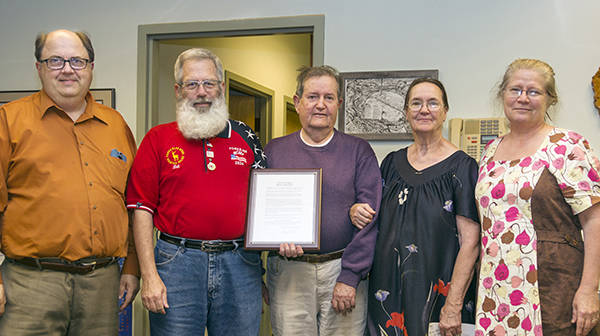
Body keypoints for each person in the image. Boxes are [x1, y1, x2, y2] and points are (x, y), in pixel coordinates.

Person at [0, 29, 139, 335]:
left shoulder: (116, 124)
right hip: (30, 285)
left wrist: (131, 268)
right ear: (39, 67)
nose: (67, 69)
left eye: (77, 60)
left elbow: (130, 205)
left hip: (102, 284)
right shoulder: (8, 121)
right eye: (55, 60)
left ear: (90, 67)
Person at [126, 48, 266, 336]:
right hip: (176, 263)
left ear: (221, 88)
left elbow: (267, 205)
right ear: (178, 90)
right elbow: (141, 210)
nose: (201, 92)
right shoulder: (157, 139)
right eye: (192, 84)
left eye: (209, 83)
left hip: (240, 263)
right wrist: (149, 275)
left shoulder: (246, 138)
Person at [475, 59, 600, 336]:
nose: (522, 98)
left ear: (549, 99)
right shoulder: (491, 151)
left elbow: (595, 222)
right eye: (515, 89)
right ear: (502, 95)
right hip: (496, 289)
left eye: (533, 91)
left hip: (553, 290)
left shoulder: (567, 145)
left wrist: (589, 290)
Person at [265, 65, 382, 335]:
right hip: (288, 271)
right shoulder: (274, 151)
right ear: (297, 102)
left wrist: (350, 276)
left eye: (329, 98)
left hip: (341, 268)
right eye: (312, 97)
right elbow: (260, 211)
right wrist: (274, 240)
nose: (321, 105)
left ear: (339, 104)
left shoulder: (358, 151)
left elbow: (370, 219)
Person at [366, 78, 480, 336]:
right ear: (406, 112)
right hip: (388, 294)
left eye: (432, 103)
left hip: (439, 297)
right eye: (416, 103)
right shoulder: (391, 164)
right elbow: (375, 221)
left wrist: (453, 304)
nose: (424, 110)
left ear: (445, 111)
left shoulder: (463, 168)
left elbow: (470, 242)